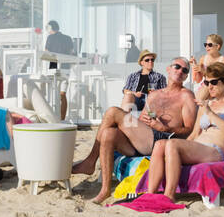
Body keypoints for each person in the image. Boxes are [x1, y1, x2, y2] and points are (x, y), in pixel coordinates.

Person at [72, 56, 197, 204]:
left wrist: (165, 127)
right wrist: (143, 121)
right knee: (108, 134)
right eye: (177, 66)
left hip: (162, 140)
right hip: (144, 139)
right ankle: (105, 190)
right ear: (168, 69)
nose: (180, 71)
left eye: (185, 70)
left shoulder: (186, 96)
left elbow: (189, 129)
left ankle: (90, 161)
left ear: (186, 76)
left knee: (113, 111)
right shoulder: (154, 95)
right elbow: (144, 119)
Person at [143, 62, 224, 203]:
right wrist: (181, 145)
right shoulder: (206, 105)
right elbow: (195, 134)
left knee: (172, 145)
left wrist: (211, 114)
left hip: (213, 151)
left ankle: (169, 195)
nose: (210, 87)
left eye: (214, 82)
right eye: (207, 83)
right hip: (197, 147)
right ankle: (150, 194)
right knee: (160, 144)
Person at [189, 34, 224, 101]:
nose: (207, 47)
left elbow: (223, 78)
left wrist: (204, 71)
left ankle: (198, 106)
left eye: (210, 45)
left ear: (218, 46)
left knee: (207, 87)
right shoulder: (203, 59)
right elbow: (198, 80)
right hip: (207, 85)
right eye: (205, 45)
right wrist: (195, 68)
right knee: (206, 86)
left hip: (219, 85)